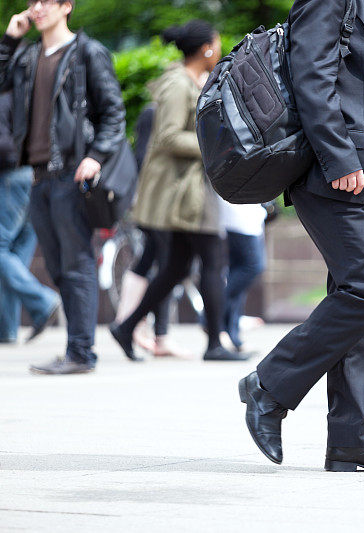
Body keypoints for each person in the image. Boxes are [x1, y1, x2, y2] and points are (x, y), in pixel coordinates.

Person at [237, 0, 364, 473]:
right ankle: (268, 385)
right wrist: (338, 157)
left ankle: (353, 438)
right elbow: (310, 76)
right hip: (338, 176)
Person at [109, 20, 249, 362]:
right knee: (213, 260)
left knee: (175, 267)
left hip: (190, 191)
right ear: (206, 49)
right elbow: (168, 137)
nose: (218, 48)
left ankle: (126, 329)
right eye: (216, 43)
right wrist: (217, 146)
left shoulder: (190, 81)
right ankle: (215, 344)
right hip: (184, 195)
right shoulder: (176, 85)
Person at [1, 0, 127, 374]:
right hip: (37, 174)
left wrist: (97, 155)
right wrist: (9, 39)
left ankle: (81, 352)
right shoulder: (26, 58)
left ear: (66, 6)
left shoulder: (88, 52)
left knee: (77, 263)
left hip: (73, 172)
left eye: (46, 1)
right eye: (32, 2)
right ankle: (76, 349)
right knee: (57, 266)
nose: (36, 8)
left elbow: (113, 111)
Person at [113, 104, 184, 358]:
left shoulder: (156, 112)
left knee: (150, 260)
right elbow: (143, 159)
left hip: (157, 203)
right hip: (157, 205)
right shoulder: (155, 112)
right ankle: (158, 334)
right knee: (167, 266)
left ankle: (128, 323)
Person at [0, 91, 60, 345]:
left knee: (3, 251)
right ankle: (7, 329)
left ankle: (43, 301)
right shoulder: (33, 94)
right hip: (34, 176)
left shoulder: (5, 98)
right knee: (13, 258)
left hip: (11, 178)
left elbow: (4, 146)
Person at [219, 201, 268, 353]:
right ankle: (211, 317)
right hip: (240, 213)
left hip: (247, 213)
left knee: (238, 271)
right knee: (251, 267)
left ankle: (233, 335)